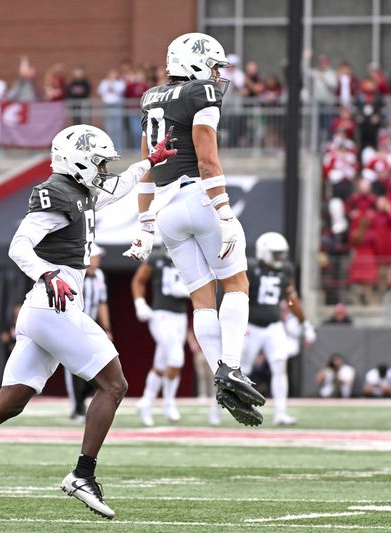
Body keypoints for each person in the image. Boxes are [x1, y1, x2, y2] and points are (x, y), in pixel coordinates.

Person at [0, 124, 176, 519]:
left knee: (10, 401)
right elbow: (19, 246)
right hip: (52, 304)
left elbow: (115, 189)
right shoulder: (56, 194)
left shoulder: (79, 193)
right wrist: (47, 274)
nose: (102, 170)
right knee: (114, 385)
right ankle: (83, 474)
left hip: (45, 307)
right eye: (98, 163)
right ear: (78, 160)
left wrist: (148, 163)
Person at [124, 32, 265, 427]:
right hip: (198, 196)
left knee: (202, 300)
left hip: (167, 210)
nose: (219, 75)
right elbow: (207, 160)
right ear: (196, 62)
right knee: (235, 285)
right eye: (215, 66)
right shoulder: (200, 93)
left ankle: (222, 379)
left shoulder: (150, 97)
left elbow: (148, 167)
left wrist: (145, 224)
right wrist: (223, 212)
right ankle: (231, 368)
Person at [240, 233, 315, 426]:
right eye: (276, 254)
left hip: (274, 326)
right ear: (264, 252)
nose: (280, 258)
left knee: (280, 367)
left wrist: (304, 323)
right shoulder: (251, 269)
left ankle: (281, 413)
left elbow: (290, 299)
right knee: (241, 369)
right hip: (251, 326)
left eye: (282, 254)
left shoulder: (285, 271)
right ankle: (224, 409)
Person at [132, 248, 190, 425]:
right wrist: (140, 303)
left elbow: (207, 285)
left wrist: (189, 291)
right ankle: (169, 402)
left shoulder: (190, 259)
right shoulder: (156, 259)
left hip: (181, 316)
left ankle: (146, 402)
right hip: (162, 315)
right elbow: (139, 281)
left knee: (161, 363)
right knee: (176, 357)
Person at [64, 243, 111, 423]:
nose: (97, 260)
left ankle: (83, 399)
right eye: (95, 257)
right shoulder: (76, 275)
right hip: (73, 326)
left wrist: (106, 328)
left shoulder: (99, 276)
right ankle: (76, 408)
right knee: (73, 369)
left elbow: (102, 303)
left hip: (90, 326)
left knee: (97, 364)